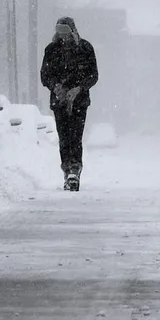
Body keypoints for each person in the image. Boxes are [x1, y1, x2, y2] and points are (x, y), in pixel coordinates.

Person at [40, 16, 99, 191]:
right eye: (60, 33)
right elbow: (45, 75)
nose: (63, 37)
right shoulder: (51, 50)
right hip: (59, 102)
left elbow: (93, 75)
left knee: (76, 137)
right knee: (64, 137)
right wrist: (55, 87)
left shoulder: (85, 48)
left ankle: (75, 170)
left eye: (66, 32)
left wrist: (78, 88)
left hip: (79, 102)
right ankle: (67, 169)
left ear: (73, 31)